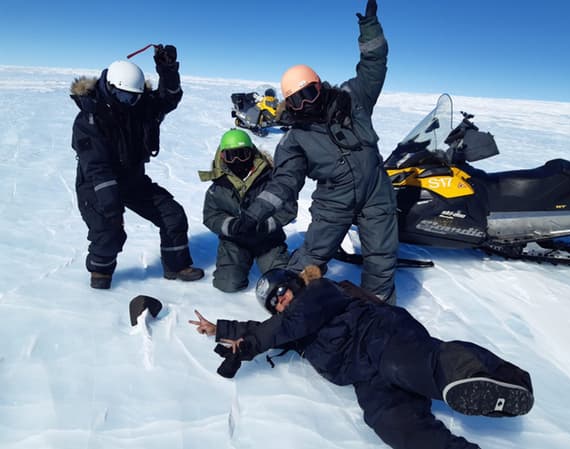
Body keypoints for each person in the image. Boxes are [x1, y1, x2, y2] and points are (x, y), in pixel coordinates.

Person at [189, 266, 534, 449]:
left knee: (416, 365)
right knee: (392, 424)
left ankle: (498, 378)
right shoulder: (291, 329)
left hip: (380, 337)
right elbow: (268, 327)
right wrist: (219, 328)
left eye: (283, 292)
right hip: (365, 376)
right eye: (274, 303)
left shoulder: (321, 293)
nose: (281, 302)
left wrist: (248, 346)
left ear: (296, 284)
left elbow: (277, 327)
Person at [227, 0, 399, 304]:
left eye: (309, 94)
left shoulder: (352, 98)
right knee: (313, 255)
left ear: (319, 87)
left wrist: (369, 29)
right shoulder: (295, 139)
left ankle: (378, 313)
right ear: (289, 105)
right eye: (296, 101)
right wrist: (253, 214)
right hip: (334, 201)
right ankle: (290, 304)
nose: (305, 105)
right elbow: (284, 183)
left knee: (381, 257)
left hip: (376, 191)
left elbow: (374, 65)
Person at [70, 45, 204, 289]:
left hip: (132, 179)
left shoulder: (138, 105)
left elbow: (169, 97)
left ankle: (176, 266)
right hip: (96, 184)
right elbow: (97, 167)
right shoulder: (89, 119)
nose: (129, 102)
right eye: (123, 96)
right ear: (110, 88)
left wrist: (168, 69)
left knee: (172, 214)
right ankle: (100, 275)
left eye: (134, 97)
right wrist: (113, 211)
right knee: (110, 233)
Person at [198, 129, 297, 292]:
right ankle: (238, 264)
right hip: (235, 242)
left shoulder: (270, 179)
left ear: (252, 153)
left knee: (281, 282)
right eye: (231, 156)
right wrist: (231, 226)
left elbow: (288, 208)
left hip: (267, 240)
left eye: (242, 154)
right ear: (222, 157)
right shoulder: (218, 186)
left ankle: (296, 260)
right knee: (228, 285)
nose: (237, 160)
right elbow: (210, 215)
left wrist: (265, 226)